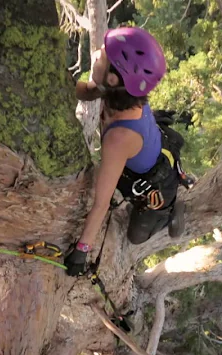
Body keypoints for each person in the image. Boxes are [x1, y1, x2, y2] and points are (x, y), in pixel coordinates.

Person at [64, 26, 187, 277]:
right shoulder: (119, 89)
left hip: (158, 187)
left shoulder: (119, 138)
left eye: (102, 53)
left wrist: (81, 250)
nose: (96, 54)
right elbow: (87, 91)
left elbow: (100, 204)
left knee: (135, 236)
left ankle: (172, 212)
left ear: (112, 78)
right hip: (149, 154)